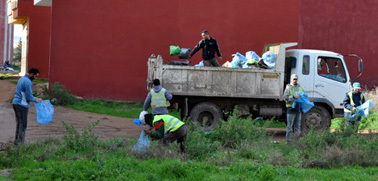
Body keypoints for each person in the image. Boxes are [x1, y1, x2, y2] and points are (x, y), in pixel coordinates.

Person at [12, 68, 42, 145]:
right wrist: (36, 99)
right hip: (22, 104)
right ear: (31, 74)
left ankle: (16, 142)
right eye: (35, 76)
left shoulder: (22, 79)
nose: (36, 78)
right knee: (23, 124)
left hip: (15, 103)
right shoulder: (28, 82)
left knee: (19, 123)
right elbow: (28, 97)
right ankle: (20, 145)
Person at [283, 74, 304, 145]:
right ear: (291, 79)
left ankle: (296, 143)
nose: (295, 80)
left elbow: (303, 95)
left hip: (298, 109)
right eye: (294, 79)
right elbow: (285, 98)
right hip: (291, 109)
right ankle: (288, 143)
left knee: (298, 127)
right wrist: (293, 97)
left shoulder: (299, 87)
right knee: (289, 127)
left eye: (296, 79)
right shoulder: (288, 87)